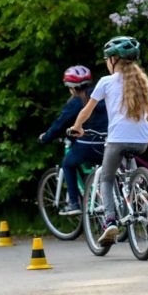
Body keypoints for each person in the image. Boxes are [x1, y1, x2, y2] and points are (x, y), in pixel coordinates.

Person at [69, 36, 148, 246]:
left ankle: (110, 221)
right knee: (129, 167)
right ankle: (138, 192)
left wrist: (77, 128)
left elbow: (87, 110)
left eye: (107, 59)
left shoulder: (106, 82)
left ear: (113, 60)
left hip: (117, 140)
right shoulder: (142, 82)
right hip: (142, 140)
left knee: (106, 179)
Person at [39, 65, 108, 215]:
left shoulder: (77, 102)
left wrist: (46, 137)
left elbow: (60, 124)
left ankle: (74, 203)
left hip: (88, 145)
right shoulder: (101, 96)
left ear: (71, 87)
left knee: (68, 164)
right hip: (108, 143)